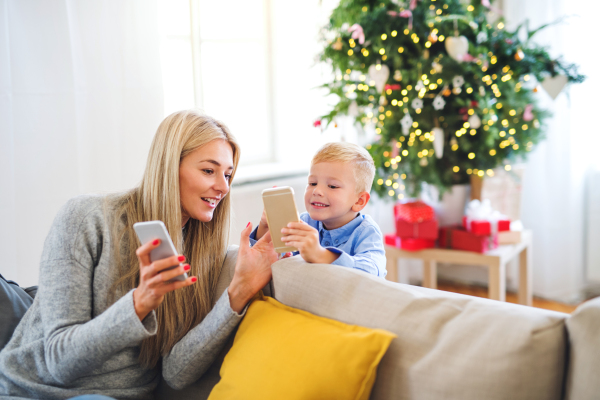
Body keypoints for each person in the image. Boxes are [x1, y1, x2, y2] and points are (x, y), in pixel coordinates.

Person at [0, 110, 278, 399]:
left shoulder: (202, 251)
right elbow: (60, 363)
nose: (223, 187)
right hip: (34, 391)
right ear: (169, 167)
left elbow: (176, 373)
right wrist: (139, 304)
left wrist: (239, 291)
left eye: (228, 174)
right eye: (209, 170)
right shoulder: (87, 218)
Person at [251, 142, 386, 278]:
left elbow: (373, 272)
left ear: (359, 201)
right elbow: (261, 260)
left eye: (332, 186)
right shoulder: (303, 223)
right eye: (312, 183)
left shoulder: (367, 232)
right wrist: (265, 227)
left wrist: (321, 254)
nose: (317, 191)